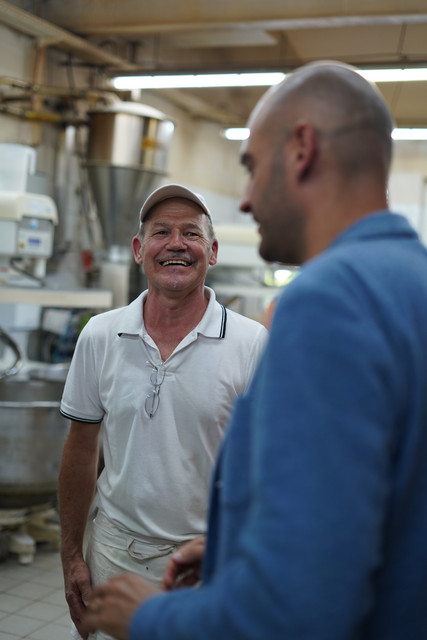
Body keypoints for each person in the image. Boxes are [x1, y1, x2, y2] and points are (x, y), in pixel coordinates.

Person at [81, 61, 427, 640]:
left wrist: (150, 617)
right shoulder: (411, 282)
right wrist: (240, 539)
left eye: (250, 166)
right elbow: (383, 501)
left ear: (302, 150)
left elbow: (295, 612)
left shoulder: (326, 302)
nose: (244, 200)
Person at [58, 183, 268, 639]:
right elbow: (80, 451)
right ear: (139, 249)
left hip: (209, 563)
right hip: (114, 557)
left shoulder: (252, 344)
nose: (176, 244)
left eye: (191, 234)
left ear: (212, 252)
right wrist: (72, 554)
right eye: (161, 232)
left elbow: (272, 467)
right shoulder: (99, 335)